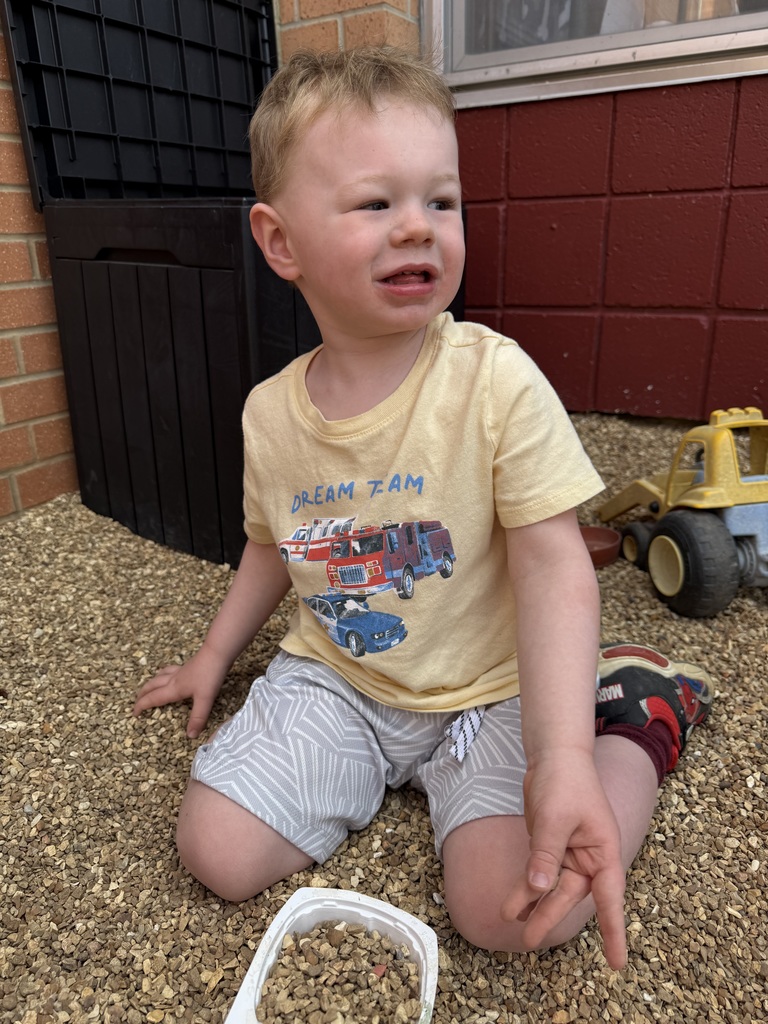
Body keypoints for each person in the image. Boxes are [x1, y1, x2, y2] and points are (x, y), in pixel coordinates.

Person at [132, 45, 712, 970]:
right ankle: (375, 772)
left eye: (441, 201)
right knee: (216, 852)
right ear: (280, 243)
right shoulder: (270, 414)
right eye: (376, 203)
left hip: (494, 688)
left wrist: (562, 757)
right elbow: (271, 547)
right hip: (343, 682)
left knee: (518, 912)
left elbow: (556, 560)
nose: (419, 229)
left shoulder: (492, 378)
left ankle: (635, 717)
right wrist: (213, 657)